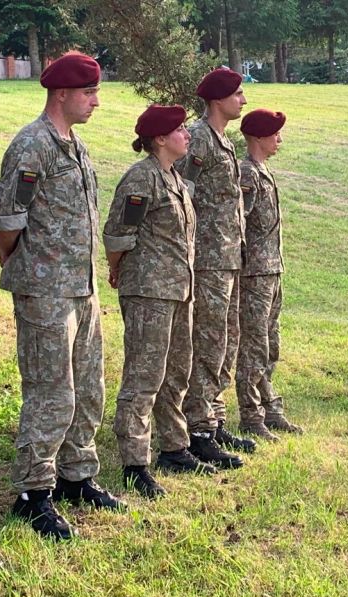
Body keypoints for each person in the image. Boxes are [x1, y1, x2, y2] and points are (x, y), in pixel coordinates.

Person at [0, 52, 122, 540]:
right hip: (45, 289)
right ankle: (33, 492)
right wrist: (24, 261)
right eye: (88, 92)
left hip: (80, 286)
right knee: (51, 392)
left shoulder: (76, 144)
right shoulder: (33, 145)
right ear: (61, 94)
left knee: (89, 387)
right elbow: (7, 219)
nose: (96, 100)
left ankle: (77, 475)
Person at [104, 105, 215, 500]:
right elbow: (117, 235)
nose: (187, 134)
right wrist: (119, 272)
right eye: (179, 130)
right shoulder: (141, 178)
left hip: (178, 289)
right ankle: (135, 462)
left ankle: (174, 447)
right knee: (144, 377)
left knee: (176, 372)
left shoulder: (177, 180)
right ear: (159, 139)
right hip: (148, 291)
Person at [175, 67, 254, 470]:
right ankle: (198, 428)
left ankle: (215, 418)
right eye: (237, 94)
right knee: (207, 342)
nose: (243, 100)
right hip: (206, 259)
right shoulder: (198, 139)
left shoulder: (224, 140)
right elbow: (181, 194)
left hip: (228, 257)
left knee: (226, 339)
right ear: (218, 99)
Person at [235, 108, 303, 440]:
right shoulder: (246, 173)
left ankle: (269, 406)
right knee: (254, 345)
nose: (280, 138)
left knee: (270, 342)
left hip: (271, 270)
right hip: (254, 274)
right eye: (275, 133)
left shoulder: (264, 171)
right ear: (259, 137)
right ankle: (251, 414)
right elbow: (239, 226)